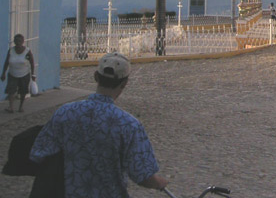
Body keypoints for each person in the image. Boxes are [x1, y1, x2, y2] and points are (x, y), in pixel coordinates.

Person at [30, 52, 169, 197]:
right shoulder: (129, 125)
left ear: (96, 77)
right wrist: (159, 182)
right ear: (124, 83)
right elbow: (143, 175)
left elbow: (39, 153)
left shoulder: (65, 113)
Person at [1, 33, 35, 113]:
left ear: (23, 41)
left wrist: (33, 74)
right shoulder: (11, 51)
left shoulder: (27, 51)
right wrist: (3, 73)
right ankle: (11, 107)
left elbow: (32, 63)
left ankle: (21, 107)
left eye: (20, 40)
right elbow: (6, 62)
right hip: (12, 74)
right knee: (11, 91)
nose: (18, 42)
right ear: (14, 41)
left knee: (23, 91)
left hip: (24, 74)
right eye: (16, 40)